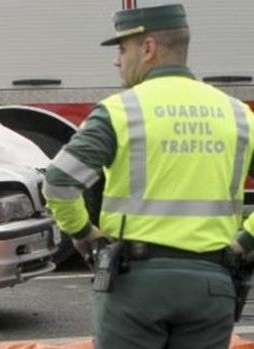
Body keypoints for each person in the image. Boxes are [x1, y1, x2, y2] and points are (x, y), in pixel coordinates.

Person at [42, 4, 254, 349]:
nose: (117, 60)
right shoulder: (238, 114)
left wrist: (84, 234)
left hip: (134, 288)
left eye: (123, 49)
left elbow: (58, 181)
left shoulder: (119, 111)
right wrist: (246, 241)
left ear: (149, 48)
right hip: (212, 285)